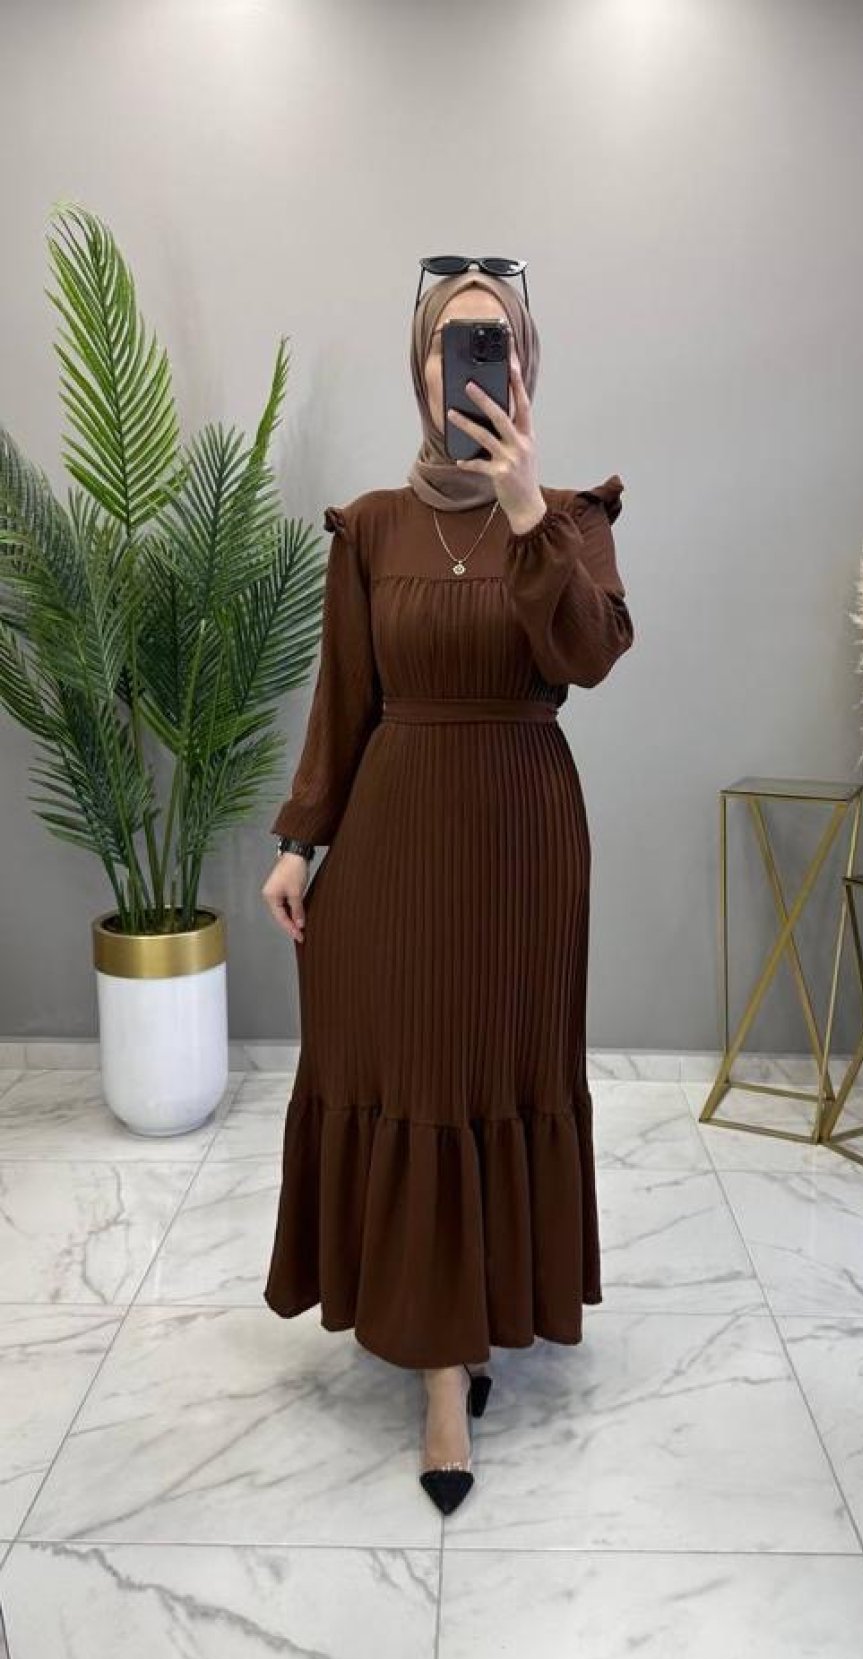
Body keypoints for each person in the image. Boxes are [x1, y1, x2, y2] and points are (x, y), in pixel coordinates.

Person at [260, 258, 634, 1516]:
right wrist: (300, 841)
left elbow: (588, 654)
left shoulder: (574, 518)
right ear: (419, 367)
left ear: (527, 365)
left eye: (497, 342)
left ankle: (482, 1317)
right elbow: (344, 699)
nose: (475, 364)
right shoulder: (370, 526)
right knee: (417, 1081)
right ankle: (437, 1375)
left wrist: (530, 515)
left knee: (498, 1075)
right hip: (397, 845)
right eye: (452, 343)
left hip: (525, 846)